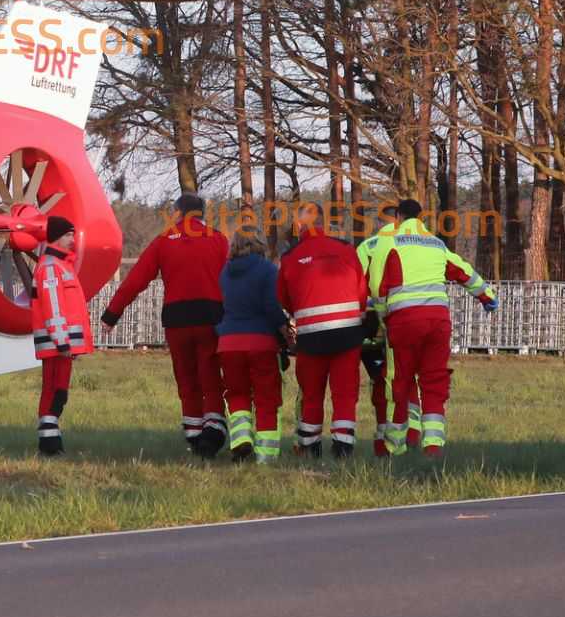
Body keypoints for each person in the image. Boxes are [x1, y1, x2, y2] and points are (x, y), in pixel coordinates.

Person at [102, 192, 229, 456]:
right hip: (211, 317)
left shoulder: (163, 242)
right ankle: (214, 426)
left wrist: (111, 315)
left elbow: (135, 280)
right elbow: (232, 280)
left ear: (177, 213)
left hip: (176, 320)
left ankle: (193, 435)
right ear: (202, 214)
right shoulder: (218, 240)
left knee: (185, 377)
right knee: (210, 375)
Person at [373, 199, 498, 457]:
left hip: (404, 322)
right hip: (438, 322)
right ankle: (433, 446)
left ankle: (394, 447)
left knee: (399, 381)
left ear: (398, 217)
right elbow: (464, 271)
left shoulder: (391, 243)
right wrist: (487, 296)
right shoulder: (437, 244)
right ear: (422, 218)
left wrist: (383, 317)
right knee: (434, 381)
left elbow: (378, 286)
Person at [278, 203, 370, 459]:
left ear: (299, 225)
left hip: (311, 337)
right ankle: (343, 445)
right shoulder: (346, 249)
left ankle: (310, 445)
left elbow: (283, 298)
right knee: (345, 392)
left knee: (312, 392)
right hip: (347, 333)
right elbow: (362, 292)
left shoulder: (290, 257)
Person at [216, 230, 288, 463]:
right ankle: (266, 456)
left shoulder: (225, 272)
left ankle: (241, 440)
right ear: (258, 244)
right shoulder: (267, 269)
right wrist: (284, 329)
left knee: (237, 393)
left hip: (228, 343)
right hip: (260, 341)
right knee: (266, 398)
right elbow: (271, 305)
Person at [28, 215, 94, 456]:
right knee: (55, 390)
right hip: (57, 344)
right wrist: (62, 341)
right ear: (56, 237)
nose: (72, 239)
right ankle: (49, 445)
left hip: (61, 343)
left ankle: (51, 440)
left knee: (58, 391)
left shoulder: (61, 265)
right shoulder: (51, 268)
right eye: (68, 234)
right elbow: (53, 306)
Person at [356, 210, 403, 455]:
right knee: (394, 378)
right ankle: (391, 435)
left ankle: (379, 432)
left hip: (368, 322)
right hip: (396, 319)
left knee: (375, 378)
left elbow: (356, 284)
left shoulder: (366, 246)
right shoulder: (408, 246)